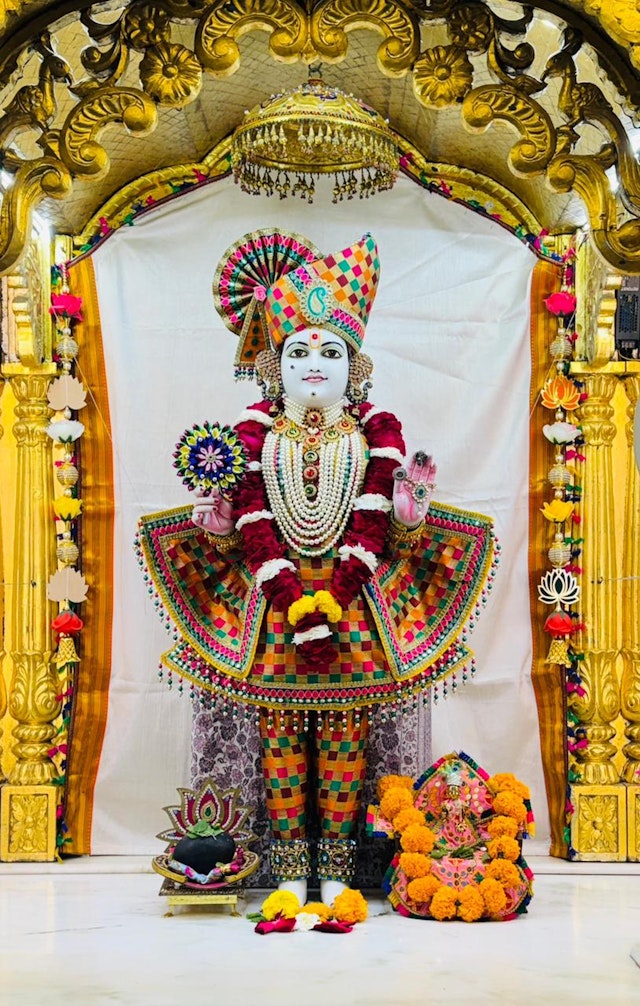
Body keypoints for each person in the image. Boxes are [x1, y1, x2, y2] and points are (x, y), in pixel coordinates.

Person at [137, 229, 495, 905]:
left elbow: (386, 528)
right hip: (273, 607)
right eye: (298, 350)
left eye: (330, 351)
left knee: (342, 740)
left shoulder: (372, 437)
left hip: (350, 602)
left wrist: (409, 510)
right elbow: (245, 521)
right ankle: (286, 870)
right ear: (275, 365)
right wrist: (221, 526)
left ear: (354, 368)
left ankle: (333, 872)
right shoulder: (254, 437)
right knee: (277, 739)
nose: (312, 363)